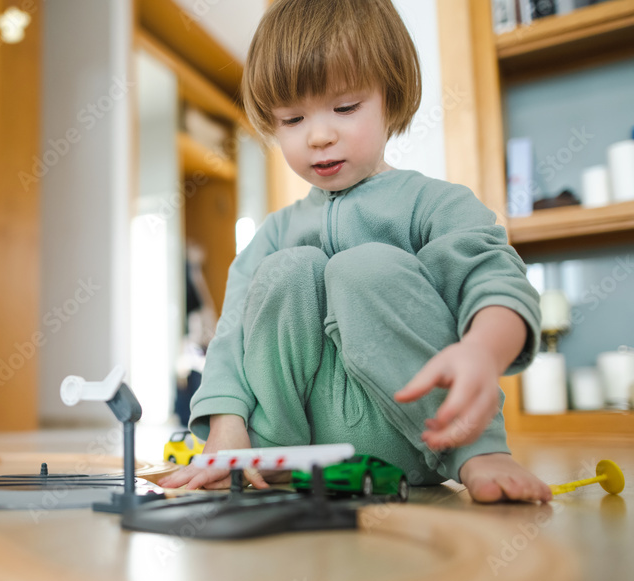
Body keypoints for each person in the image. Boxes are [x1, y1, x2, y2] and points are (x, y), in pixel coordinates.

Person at [157, 0, 552, 502]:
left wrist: (482, 349)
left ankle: (475, 450)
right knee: (286, 270)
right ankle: (272, 451)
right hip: (294, 456)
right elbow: (232, 337)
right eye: (293, 118)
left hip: (422, 440)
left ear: (391, 97)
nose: (320, 135)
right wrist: (227, 433)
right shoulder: (274, 234)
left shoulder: (435, 204)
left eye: (345, 108)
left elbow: (495, 281)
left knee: (362, 266)